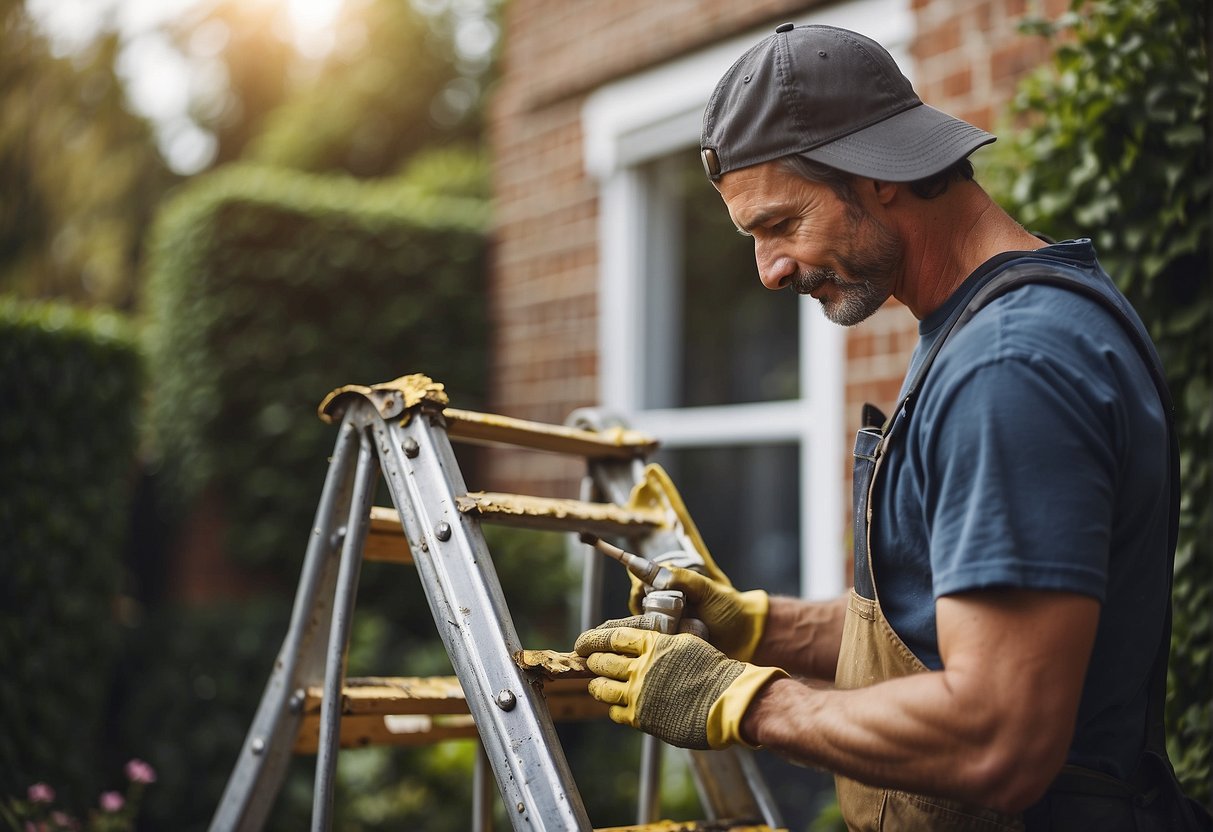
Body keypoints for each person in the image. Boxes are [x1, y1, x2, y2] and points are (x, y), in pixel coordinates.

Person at [574, 23, 1208, 831]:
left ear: (875, 174)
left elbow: (998, 737)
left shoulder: (1009, 366)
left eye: (779, 224)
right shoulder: (982, 328)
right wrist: (762, 627)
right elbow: (952, 625)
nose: (768, 271)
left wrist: (746, 701)